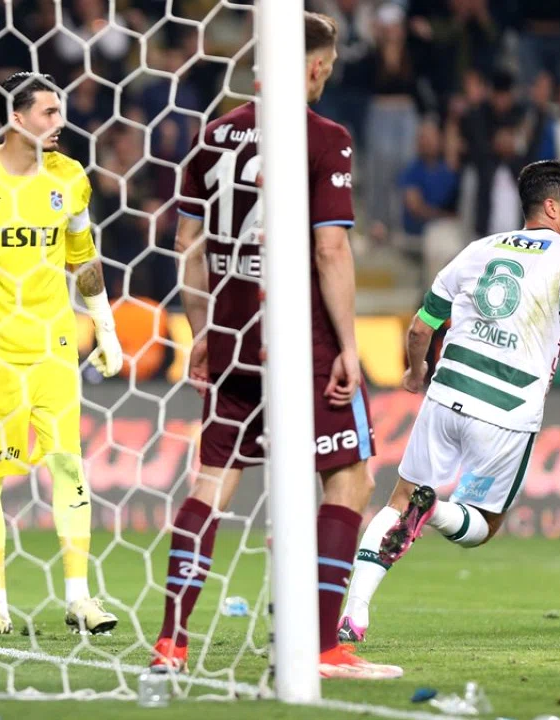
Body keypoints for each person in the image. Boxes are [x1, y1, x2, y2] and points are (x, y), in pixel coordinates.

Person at [149, 12, 401, 680]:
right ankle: (321, 647)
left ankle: (171, 643)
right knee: (349, 478)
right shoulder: (325, 138)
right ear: (313, 66)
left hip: (233, 337)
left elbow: (188, 245)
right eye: (328, 65)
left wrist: (203, 331)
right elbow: (330, 247)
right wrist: (349, 346)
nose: (327, 76)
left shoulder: (212, 136)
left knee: (211, 484)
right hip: (301, 343)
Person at [340, 160, 560, 641]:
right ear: (552, 208)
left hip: (447, 393)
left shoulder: (477, 249)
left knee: (397, 500)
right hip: (508, 407)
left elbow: (421, 326)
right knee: (483, 526)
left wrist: (416, 372)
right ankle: (434, 511)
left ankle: (354, 613)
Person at [0, 72, 124, 637]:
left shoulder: (70, 177)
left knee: (69, 465)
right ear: (16, 119)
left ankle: (80, 598)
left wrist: (105, 327)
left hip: (53, 348)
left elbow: (82, 256)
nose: (59, 122)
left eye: (59, 111)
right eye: (48, 113)